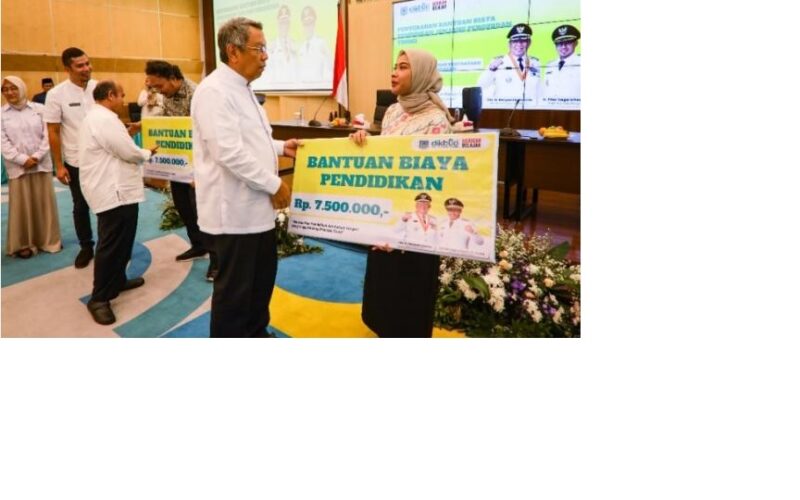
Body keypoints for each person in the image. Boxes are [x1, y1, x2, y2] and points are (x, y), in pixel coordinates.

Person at [192, 17, 300, 338]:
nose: (265, 56)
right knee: (235, 297)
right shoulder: (214, 91)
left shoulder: (243, 88)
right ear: (233, 52)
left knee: (259, 285)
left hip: (255, 212)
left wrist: (282, 146)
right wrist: (275, 184)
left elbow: (252, 140)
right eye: (259, 49)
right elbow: (229, 153)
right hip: (234, 216)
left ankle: (255, 334)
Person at [350, 48, 454, 338]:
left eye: (404, 67)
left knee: (409, 298)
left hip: (415, 226)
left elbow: (433, 180)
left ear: (421, 74)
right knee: (383, 292)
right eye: (395, 66)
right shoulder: (393, 111)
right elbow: (385, 159)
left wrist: (402, 226)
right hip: (385, 218)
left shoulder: (436, 120)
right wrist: (361, 143)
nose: (394, 72)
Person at [78, 81, 157, 325]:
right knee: (111, 244)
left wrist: (128, 138)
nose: (123, 100)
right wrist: (147, 153)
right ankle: (99, 298)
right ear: (111, 95)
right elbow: (127, 152)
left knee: (123, 240)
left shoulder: (100, 118)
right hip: (113, 192)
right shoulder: (104, 119)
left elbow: (116, 144)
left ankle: (118, 280)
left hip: (117, 190)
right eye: (122, 95)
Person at [145, 60, 218, 280]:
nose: (159, 92)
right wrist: (144, 126)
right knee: (183, 206)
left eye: (160, 86)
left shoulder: (198, 94)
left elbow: (209, 133)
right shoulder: (167, 97)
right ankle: (198, 245)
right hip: (180, 163)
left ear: (173, 78)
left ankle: (217, 261)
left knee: (203, 212)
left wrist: (200, 171)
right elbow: (168, 123)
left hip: (200, 165)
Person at [43, 47, 98, 269]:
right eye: (80, 65)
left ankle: (109, 245)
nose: (86, 68)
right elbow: (53, 131)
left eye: (88, 63)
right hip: (76, 162)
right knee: (81, 206)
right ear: (67, 68)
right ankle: (86, 246)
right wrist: (59, 165)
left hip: (102, 159)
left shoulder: (99, 88)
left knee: (108, 204)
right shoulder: (56, 95)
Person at [1, 76, 62, 259]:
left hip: (41, 164)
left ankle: (48, 239)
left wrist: (36, 156)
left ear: (22, 88)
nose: (10, 92)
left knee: (44, 203)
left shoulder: (39, 109)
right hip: (18, 168)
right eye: (5, 89)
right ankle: (23, 243)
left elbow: (48, 135)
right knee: (21, 206)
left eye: (13, 88)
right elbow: (3, 143)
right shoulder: (2, 114)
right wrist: (22, 159)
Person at [477, 23, 541, 109]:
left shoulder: (535, 62)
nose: (519, 44)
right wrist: (491, 70)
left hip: (529, 111)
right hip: (505, 111)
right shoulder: (498, 62)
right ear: (509, 44)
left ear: (529, 43)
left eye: (523, 41)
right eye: (515, 41)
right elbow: (481, 85)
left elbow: (539, 90)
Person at [541, 24, 581, 108]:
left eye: (568, 42)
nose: (563, 46)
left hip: (574, 111)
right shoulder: (550, 65)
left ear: (575, 43)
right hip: (550, 110)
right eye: (559, 43)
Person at [297, 6, 332, 85]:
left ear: (314, 24)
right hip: (302, 89)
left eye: (310, 23)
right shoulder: (301, 48)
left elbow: (329, 71)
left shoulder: (322, 44)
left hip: (319, 89)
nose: (307, 27)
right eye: (305, 24)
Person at [265, 5, 298, 84]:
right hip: (276, 88)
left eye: (286, 22)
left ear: (289, 24)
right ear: (278, 24)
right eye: (282, 23)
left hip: (294, 88)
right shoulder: (271, 46)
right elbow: (268, 74)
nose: (284, 26)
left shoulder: (295, 45)